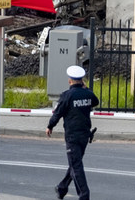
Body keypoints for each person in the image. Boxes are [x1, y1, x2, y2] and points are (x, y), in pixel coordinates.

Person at [47, 65, 99, 200]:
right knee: (75, 163)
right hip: (85, 135)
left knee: (76, 166)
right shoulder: (88, 94)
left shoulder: (67, 95)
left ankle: (84, 195)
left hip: (72, 136)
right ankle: (62, 187)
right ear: (82, 80)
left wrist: (50, 126)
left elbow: (58, 113)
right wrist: (86, 88)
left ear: (70, 80)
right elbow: (96, 101)